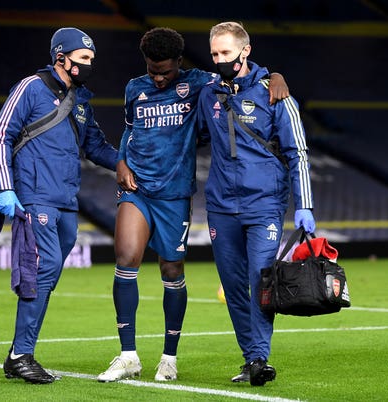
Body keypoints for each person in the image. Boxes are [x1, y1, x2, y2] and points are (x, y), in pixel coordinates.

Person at [97, 27, 289, 383]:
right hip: (138, 186)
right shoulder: (134, 88)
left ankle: (169, 358)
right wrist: (121, 162)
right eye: (152, 70)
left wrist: (276, 76)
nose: (158, 78)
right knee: (125, 259)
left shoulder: (201, 82)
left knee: (171, 271)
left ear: (179, 64)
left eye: (165, 71)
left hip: (175, 192)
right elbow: (129, 129)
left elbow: (242, 78)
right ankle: (127, 355)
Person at [0, 27, 118, 384]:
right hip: (35, 197)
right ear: (61, 57)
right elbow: (1, 135)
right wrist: (6, 188)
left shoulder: (80, 101)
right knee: (42, 272)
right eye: (84, 58)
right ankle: (21, 355)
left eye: (91, 59)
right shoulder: (30, 87)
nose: (90, 65)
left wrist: (130, 164)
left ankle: (19, 352)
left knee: (48, 278)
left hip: (67, 202)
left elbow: (96, 147)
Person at [196, 21, 316, 386]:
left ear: (245, 51)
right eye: (214, 54)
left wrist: (304, 205)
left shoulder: (276, 96)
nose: (219, 60)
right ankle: (251, 358)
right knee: (233, 287)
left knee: (261, 281)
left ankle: (260, 357)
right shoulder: (207, 93)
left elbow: (298, 152)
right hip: (220, 205)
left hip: (264, 204)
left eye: (226, 53)